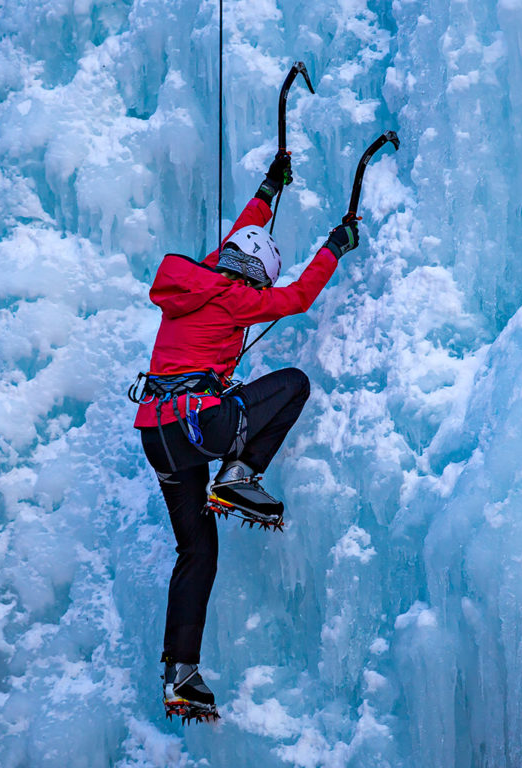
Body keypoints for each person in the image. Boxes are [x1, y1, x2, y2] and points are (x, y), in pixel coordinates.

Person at [131, 150, 359, 722]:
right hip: (199, 425)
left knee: (198, 548)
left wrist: (268, 190)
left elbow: (242, 236)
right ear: (252, 275)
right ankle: (239, 476)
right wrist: (334, 247)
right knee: (293, 384)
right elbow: (297, 299)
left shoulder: (197, 279)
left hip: (157, 436)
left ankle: (180, 671)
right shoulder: (236, 294)